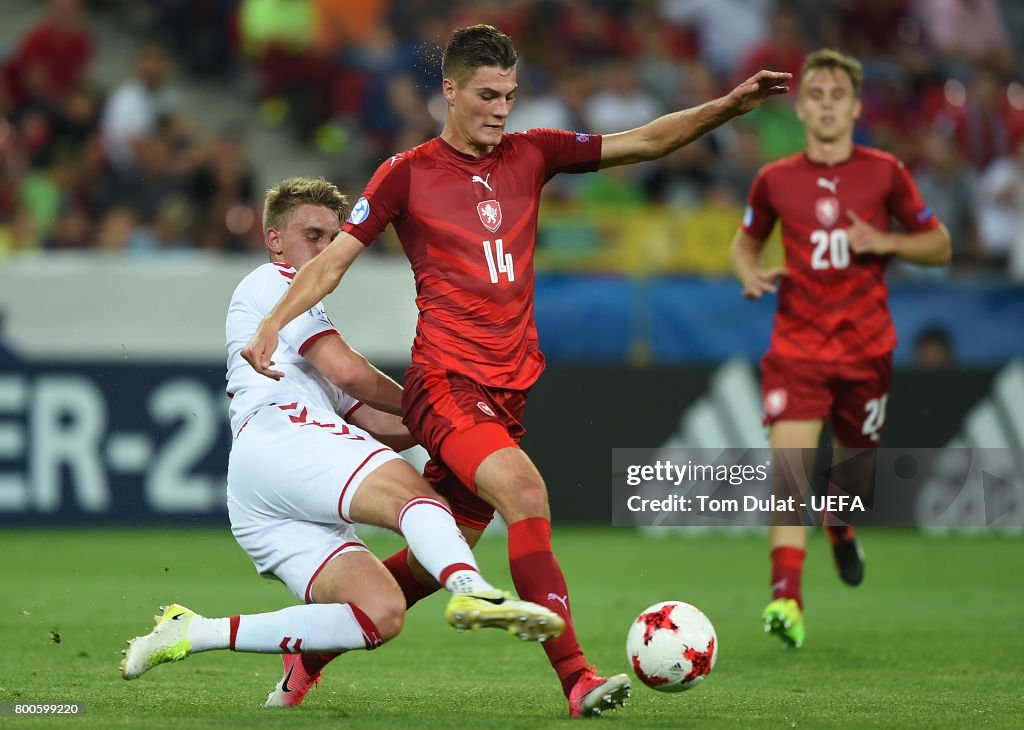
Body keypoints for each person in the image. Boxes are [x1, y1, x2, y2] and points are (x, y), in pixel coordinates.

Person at [242, 25, 790, 718]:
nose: (501, 109)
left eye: (510, 94)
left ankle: (307, 656)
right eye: (486, 95)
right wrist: (273, 322)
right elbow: (332, 262)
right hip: (444, 383)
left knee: (433, 559)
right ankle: (578, 678)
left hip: (507, 392)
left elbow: (647, 140)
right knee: (526, 494)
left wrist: (726, 106)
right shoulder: (404, 173)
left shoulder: (535, 153)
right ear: (450, 91)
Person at [119, 177, 563, 705]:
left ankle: (195, 632)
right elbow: (349, 373)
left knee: (379, 613)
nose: (327, 251)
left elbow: (376, 422)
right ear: (274, 239)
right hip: (282, 436)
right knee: (416, 499)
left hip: (262, 493)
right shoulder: (273, 280)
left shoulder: (300, 319)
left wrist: (459, 428)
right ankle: (471, 590)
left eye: (335, 238)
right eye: (313, 235)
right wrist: (439, 405)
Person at [729, 49, 951, 649]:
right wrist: (748, 272)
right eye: (817, 94)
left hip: (866, 347)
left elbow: (940, 244)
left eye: (837, 95)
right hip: (797, 346)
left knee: (852, 470)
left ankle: (841, 523)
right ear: (802, 108)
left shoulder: (885, 172)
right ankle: (786, 599)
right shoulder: (775, 178)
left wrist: (887, 239)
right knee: (792, 473)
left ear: (855, 106)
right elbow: (745, 244)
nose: (826, 104)